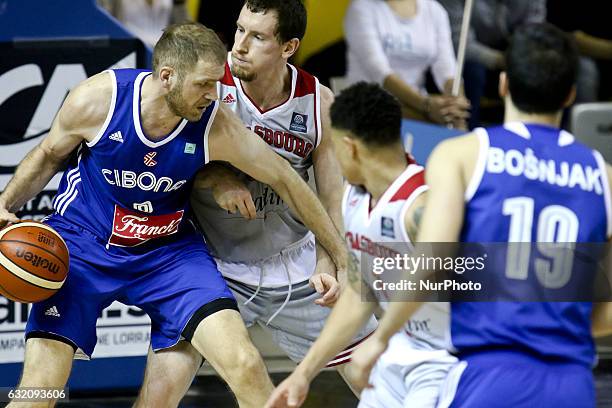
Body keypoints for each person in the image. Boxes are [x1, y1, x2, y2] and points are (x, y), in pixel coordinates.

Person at [0, 22, 348, 408]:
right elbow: (48, 155)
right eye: (203, 84)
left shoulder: (215, 124)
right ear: (167, 77)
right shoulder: (98, 99)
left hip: (168, 254)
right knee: (39, 389)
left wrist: (340, 255)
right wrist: (5, 204)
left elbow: (288, 180)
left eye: (217, 82)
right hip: (83, 245)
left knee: (246, 363)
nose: (213, 94)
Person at [347, 23, 612, 407]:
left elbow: (433, 258)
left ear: (503, 84)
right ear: (571, 94)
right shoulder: (603, 177)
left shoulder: (465, 155)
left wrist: (383, 336)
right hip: (571, 384)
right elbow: (604, 314)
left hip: (490, 376)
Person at [142, 0, 377, 397]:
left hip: (294, 264)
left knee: (380, 381)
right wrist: (216, 178)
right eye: (238, 30)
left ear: (288, 47)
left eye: (258, 36)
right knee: (160, 389)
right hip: (212, 266)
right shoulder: (209, 86)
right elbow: (169, 160)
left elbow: (332, 197)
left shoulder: (318, 104)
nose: (239, 45)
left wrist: (327, 260)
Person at [264, 82, 455, 408]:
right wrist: (304, 373)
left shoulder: (422, 206)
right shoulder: (354, 197)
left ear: (349, 147)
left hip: (450, 358)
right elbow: (357, 290)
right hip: (402, 348)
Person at [344, 0, 470, 128]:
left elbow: (446, 66)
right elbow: (380, 72)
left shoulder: (434, 10)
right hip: (368, 103)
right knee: (438, 120)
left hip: (416, 102)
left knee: (454, 118)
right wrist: (426, 105)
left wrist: (456, 101)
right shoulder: (361, 8)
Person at [438, 0, 546, 128]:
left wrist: (517, 60)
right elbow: (460, 44)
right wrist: (502, 60)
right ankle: (470, 137)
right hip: (475, 62)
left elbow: (532, 38)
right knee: (473, 71)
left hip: (513, 60)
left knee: (545, 67)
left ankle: (538, 135)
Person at [98, 0, 191, 47]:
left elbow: (185, 29)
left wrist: (180, 5)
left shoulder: (172, 2)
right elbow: (105, 22)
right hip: (131, 48)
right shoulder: (118, 2)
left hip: (165, 50)